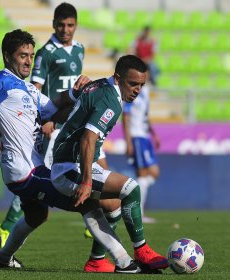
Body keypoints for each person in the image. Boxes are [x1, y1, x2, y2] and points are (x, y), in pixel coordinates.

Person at [0, 29, 144, 273]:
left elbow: (54, 110)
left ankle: (2, 258)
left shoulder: (27, 89)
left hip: (34, 167)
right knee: (87, 202)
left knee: (38, 215)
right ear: (7, 57)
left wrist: (76, 91)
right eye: (22, 55)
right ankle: (124, 262)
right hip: (23, 169)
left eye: (31, 55)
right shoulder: (0, 82)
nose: (28, 60)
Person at [0, 2, 114, 260]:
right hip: (53, 123)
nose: (66, 29)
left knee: (94, 171)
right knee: (42, 179)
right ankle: (8, 225)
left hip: (73, 120)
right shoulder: (46, 52)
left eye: (70, 25)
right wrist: (43, 117)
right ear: (53, 24)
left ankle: (102, 228)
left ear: (76, 25)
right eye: (61, 24)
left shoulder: (80, 49)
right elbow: (34, 88)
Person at [51, 55, 168, 272]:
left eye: (141, 85)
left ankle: (98, 261)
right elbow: (88, 138)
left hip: (69, 163)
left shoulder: (97, 86)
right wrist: (86, 181)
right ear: (118, 78)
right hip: (69, 168)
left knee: (113, 205)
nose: (137, 90)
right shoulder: (111, 101)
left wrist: (51, 117)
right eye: (132, 83)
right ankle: (141, 249)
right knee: (131, 188)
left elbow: (74, 110)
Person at [122, 84, 160, 224]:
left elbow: (145, 115)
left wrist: (153, 134)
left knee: (154, 172)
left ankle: (133, 206)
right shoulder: (132, 91)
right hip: (136, 136)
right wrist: (128, 141)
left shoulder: (146, 91)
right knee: (143, 174)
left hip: (145, 137)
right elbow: (125, 116)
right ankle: (139, 213)